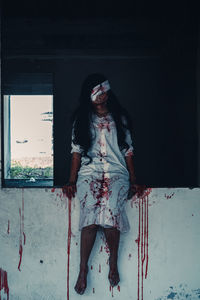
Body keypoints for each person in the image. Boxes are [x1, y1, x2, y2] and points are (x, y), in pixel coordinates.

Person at [65, 73, 137, 295]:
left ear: (107, 92)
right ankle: (83, 269)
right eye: (96, 91)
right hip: (89, 173)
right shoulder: (81, 119)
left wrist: (134, 180)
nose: (100, 95)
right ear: (89, 94)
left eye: (103, 90)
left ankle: (113, 262)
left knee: (111, 214)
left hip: (116, 173)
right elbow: (76, 152)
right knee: (90, 217)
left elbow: (128, 151)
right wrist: (71, 180)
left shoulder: (120, 117)